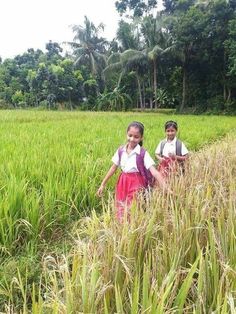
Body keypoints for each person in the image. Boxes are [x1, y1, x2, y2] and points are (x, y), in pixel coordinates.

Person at [97, 121, 167, 222]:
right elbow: (113, 168)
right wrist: (103, 184)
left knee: (131, 208)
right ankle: (121, 229)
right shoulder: (121, 150)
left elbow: (154, 171)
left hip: (136, 183)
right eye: (130, 135)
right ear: (127, 134)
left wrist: (165, 186)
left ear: (141, 138)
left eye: (136, 137)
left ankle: (133, 231)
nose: (132, 139)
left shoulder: (143, 153)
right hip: (122, 182)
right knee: (120, 206)